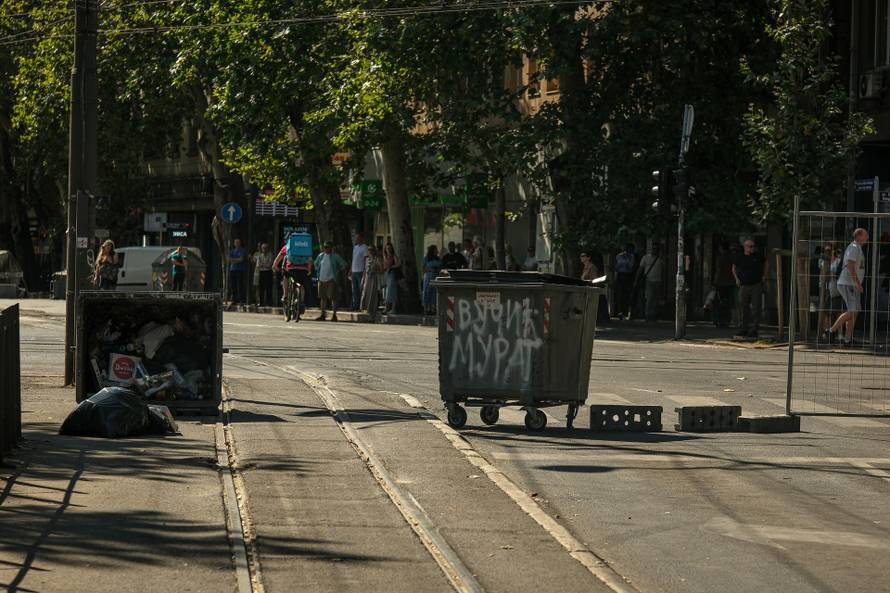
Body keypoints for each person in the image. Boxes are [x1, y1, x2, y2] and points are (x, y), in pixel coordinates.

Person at [824, 228, 869, 347]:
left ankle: (848, 339)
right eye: (865, 235)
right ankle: (830, 331)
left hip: (851, 283)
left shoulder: (856, 247)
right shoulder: (854, 247)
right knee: (853, 311)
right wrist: (857, 283)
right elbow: (850, 264)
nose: (867, 237)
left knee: (854, 311)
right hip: (848, 283)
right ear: (859, 236)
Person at [732, 238, 769, 338]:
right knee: (743, 308)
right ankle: (744, 328)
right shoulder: (740, 256)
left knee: (756, 308)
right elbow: (734, 267)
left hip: (756, 284)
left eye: (754, 246)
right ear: (745, 247)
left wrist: (764, 275)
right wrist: (736, 279)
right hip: (744, 285)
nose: (753, 248)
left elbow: (766, 262)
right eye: (750, 246)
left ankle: (754, 329)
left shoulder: (758, 256)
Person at [271, 236, 313, 319]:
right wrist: (309, 269)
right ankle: (301, 301)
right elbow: (310, 260)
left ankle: (285, 295)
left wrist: (274, 266)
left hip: (291, 268)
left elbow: (278, 258)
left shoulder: (287, 247)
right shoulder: (305, 247)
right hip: (303, 269)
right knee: (301, 286)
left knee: (286, 276)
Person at [314, 241, 347, 321]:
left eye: (328, 247)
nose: (326, 249)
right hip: (321, 279)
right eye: (325, 247)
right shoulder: (320, 256)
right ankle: (323, 314)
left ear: (331, 248)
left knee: (333, 298)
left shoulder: (335, 257)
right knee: (323, 298)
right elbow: (316, 264)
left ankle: (334, 315)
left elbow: (344, 264)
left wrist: (338, 273)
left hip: (331, 280)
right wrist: (318, 273)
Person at [636, 245, 663, 322]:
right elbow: (640, 268)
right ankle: (648, 314)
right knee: (649, 297)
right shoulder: (646, 257)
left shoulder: (660, 259)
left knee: (656, 298)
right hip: (649, 280)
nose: (655, 250)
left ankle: (654, 314)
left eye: (656, 249)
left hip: (658, 281)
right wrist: (636, 279)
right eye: (653, 249)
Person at [712, 241, 736, 327]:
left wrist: (715, 282)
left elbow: (718, 270)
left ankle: (720, 319)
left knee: (720, 301)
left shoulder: (721, 258)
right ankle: (727, 320)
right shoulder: (732, 257)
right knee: (728, 301)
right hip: (730, 282)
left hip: (721, 283)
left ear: (721, 248)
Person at [361, 244, 383, 319]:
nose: (370, 251)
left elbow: (381, 270)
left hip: (374, 278)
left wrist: (377, 270)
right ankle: (367, 310)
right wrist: (362, 280)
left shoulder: (377, 259)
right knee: (365, 294)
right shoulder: (367, 259)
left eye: (371, 250)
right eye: (369, 250)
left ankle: (372, 313)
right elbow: (364, 270)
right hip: (367, 278)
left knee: (372, 295)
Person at [614, 243, 635, 319]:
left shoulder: (631, 257)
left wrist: (627, 260)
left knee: (627, 295)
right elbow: (616, 267)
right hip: (620, 275)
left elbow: (630, 267)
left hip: (628, 276)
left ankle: (626, 312)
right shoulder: (618, 256)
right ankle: (620, 312)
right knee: (620, 295)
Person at [350, 233, 369, 311]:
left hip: (360, 270)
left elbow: (365, 260)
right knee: (354, 289)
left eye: (358, 238)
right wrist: (350, 270)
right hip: (354, 271)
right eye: (356, 238)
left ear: (362, 238)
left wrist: (364, 270)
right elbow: (353, 259)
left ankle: (362, 305)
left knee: (361, 289)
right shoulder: (355, 247)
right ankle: (355, 305)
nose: (356, 239)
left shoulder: (365, 247)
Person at [422, 245, 442, 315]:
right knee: (427, 291)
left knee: (434, 292)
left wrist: (437, 269)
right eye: (435, 250)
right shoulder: (427, 258)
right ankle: (426, 307)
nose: (437, 251)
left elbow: (440, 268)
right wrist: (430, 269)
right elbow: (423, 269)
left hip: (436, 276)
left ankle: (433, 308)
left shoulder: (438, 259)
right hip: (428, 276)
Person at [228, 238, 248, 304]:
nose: (237, 244)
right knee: (233, 286)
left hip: (240, 270)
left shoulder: (243, 250)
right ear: (234, 243)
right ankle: (234, 300)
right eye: (236, 242)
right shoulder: (232, 251)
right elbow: (229, 259)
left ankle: (241, 300)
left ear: (240, 243)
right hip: (232, 269)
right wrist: (236, 260)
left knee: (240, 285)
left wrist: (233, 260)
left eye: (238, 242)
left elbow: (241, 259)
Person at [383, 243, 400, 314]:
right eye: (387, 248)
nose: (388, 250)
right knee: (386, 291)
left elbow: (399, 263)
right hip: (386, 273)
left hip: (392, 274)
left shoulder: (394, 256)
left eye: (389, 248)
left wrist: (392, 267)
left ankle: (393, 308)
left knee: (391, 291)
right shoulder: (385, 256)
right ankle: (386, 308)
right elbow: (384, 265)